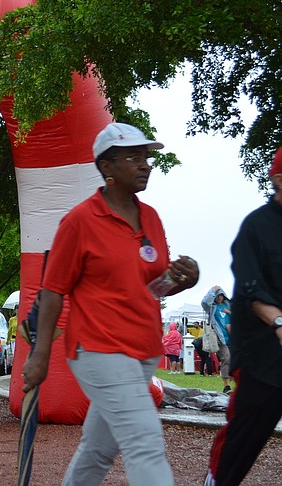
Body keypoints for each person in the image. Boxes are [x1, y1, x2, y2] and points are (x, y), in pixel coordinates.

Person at [20, 123, 199, 486]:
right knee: (145, 442)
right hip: (99, 349)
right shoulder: (79, 221)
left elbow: (152, 289)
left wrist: (183, 279)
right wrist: (38, 356)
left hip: (143, 351)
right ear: (107, 167)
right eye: (134, 157)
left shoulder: (150, 216)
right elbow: (53, 291)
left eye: (146, 157)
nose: (145, 164)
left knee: (98, 450)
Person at [204, 146, 282, 486]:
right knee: (244, 438)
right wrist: (279, 322)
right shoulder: (257, 227)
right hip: (263, 358)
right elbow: (250, 290)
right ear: (279, 180)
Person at [206, 286, 233, 394]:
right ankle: (226, 386)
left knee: (234, 360)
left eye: (221, 295)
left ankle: (233, 381)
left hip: (232, 336)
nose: (219, 298)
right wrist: (212, 291)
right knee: (226, 358)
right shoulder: (212, 307)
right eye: (217, 296)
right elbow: (204, 302)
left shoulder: (229, 305)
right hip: (220, 338)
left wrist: (229, 312)